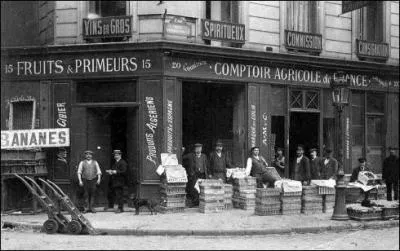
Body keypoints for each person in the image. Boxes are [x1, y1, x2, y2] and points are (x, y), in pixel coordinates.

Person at [182, 143, 208, 207]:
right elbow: (182, 158)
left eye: (199, 148)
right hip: (194, 175)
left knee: (201, 189)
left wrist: (208, 174)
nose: (198, 149)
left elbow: (206, 165)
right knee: (194, 189)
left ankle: (201, 203)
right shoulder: (191, 155)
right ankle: (195, 203)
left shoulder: (204, 156)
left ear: (201, 149)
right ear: (195, 149)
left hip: (202, 175)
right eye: (197, 148)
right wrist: (182, 151)